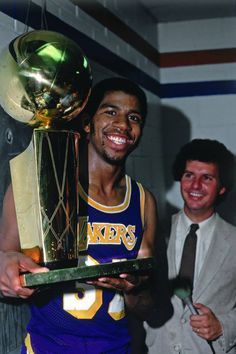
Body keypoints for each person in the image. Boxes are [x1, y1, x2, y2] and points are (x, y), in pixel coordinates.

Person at [0, 77, 157, 354]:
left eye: (133, 117)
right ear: (87, 123)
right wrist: (7, 271)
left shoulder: (143, 201)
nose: (122, 124)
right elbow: (5, 274)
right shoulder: (37, 187)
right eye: (111, 112)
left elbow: (148, 307)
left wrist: (133, 289)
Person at [145, 138, 236, 354]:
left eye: (207, 178)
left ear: (222, 187)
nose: (195, 186)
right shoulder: (153, 232)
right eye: (189, 175)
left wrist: (223, 326)